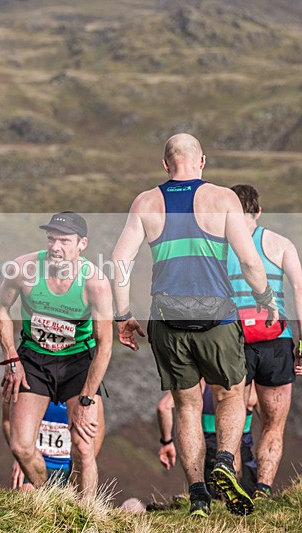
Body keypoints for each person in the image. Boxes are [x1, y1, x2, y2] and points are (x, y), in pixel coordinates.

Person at [111, 133, 279, 517]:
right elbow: (251, 261)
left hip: (167, 321)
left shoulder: (146, 202)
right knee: (231, 394)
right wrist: (265, 299)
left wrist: (123, 315)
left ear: (165, 164)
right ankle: (223, 459)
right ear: (201, 161)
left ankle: (199, 496)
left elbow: (120, 261)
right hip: (217, 318)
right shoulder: (223, 199)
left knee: (186, 406)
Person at [0, 211, 113, 500]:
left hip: (77, 363)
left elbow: (105, 345)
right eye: (51, 239)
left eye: (64, 241)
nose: (55, 247)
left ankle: (87, 518)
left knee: (84, 447)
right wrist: (11, 358)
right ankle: (52, 499)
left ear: (82, 244)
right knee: (21, 446)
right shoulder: (22, 269)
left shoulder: (94, 283)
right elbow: (0, 309)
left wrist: (87, 398)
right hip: (34, 360)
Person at [228, 184, 302, 499]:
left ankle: (228, 494)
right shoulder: (280, 243)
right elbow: (299, 289)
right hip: (277, 339)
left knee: (229, 422)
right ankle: (263, 490)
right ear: (257, 210)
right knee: (273, 424)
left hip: (233, 340)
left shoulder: (218, 246)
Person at [156, 381, 258, 498]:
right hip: (241, 449)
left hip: (208, 452)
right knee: (246, 500)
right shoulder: (245, 384)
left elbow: (163, 407)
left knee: (211, 498)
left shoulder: (198, 383)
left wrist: (167, 442)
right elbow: (269, 424)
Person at [2, 397, 106, 490]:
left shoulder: (85, 393)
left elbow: (98, 431)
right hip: (34, 463)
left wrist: (80, 468)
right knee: (27, 497)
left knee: (71, 506)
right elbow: (7, 421)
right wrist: (21, 458)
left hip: (68, 467)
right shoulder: (25, 385)